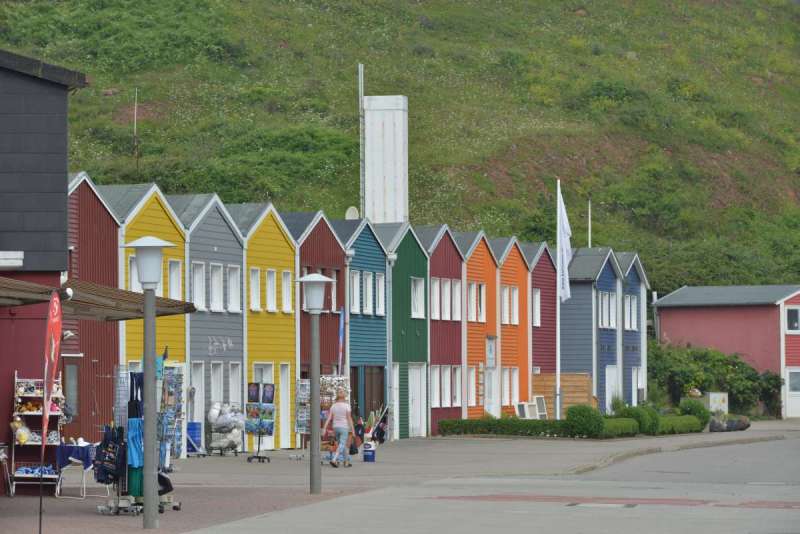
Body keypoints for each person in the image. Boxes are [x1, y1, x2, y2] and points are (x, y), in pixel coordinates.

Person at [322, 388, 355, 468]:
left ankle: (346, 462)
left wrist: (324, 428)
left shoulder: (333, 406)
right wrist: (353, 430)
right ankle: (334, 459)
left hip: (335, 427)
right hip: (344, 427)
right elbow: (349, 418)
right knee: (342, 444)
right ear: (344, 396)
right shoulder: (347, 406)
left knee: (341, 445)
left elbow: (329, 418)